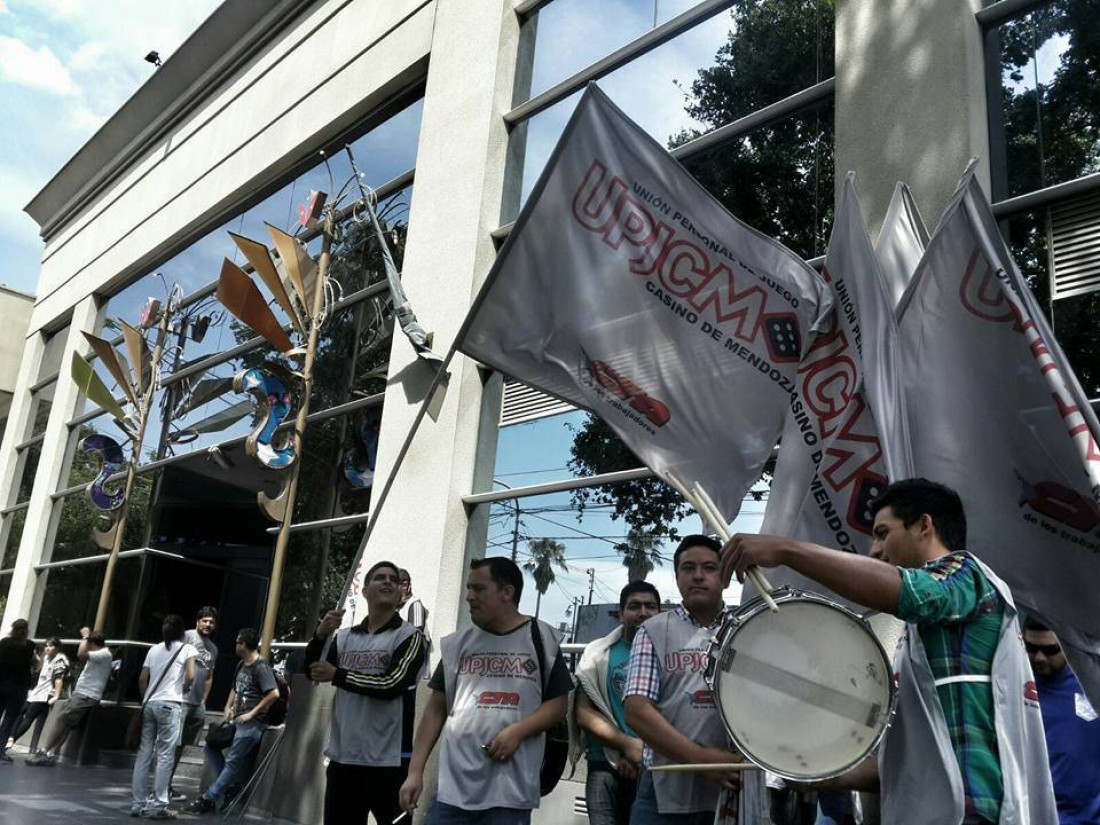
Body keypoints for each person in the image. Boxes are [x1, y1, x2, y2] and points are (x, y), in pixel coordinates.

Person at [722, 478, 1057, 825]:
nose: (875, 550)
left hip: (970, 813)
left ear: (924, 526)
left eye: (883, 533)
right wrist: (816, 771)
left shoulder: (968, 577)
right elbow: (900, 768)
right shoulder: (914, 637)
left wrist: (788, 551)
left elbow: (912, 593)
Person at [399, 557, 572, 825]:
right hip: (452, 793)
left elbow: (558, 705)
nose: (469, 597)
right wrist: (415, 772)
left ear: (507, 592)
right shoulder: (459, 644)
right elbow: (435, 709)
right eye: (468, 588)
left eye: (478, 589)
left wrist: (518, 731)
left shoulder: (542, 639)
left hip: (509, 796)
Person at [623, 535, 751, 825]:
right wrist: (700, 759)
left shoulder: (748, 631)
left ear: (725, 577)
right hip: (663, 792)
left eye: (709, 568)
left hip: (732, 790)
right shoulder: (654, 631)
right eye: (688, 568)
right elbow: (637, 710)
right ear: (677, 577)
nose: (698, 576)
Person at [304, 560, 427, 825]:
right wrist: (320, 636)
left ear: (400, 594)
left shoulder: (409, 637)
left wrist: (338, 674)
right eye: (380, 578)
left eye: (393, 580)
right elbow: (312, 672)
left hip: (389, 760)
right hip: (343, 758)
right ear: (365, 590)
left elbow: (392, 684)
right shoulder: (344, 637)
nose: (388, 582)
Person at [573, 581, 660, 825]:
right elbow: (582, 712)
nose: (643, 613)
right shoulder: (597, 654)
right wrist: (627, 746)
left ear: (659, 613)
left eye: (650, 606)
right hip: (603, 764)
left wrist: (640, 753)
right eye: (634, 606)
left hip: (652, 767)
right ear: (621, 613)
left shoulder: (668, 657)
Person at [185, 628, 278, 814]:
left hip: (252, 723)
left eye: (237, 642)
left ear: (243, 644)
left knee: (233, 761)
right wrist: (227, 707)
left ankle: (210, 798)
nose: (235, 645)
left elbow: (274, 693)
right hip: (236, 719)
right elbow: (235, 687)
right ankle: (225, 788)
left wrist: (252, 714)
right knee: (210, 746)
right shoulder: (241, 665)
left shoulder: (261, 667)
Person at [1025, 618, 1100, 824]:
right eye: (1031, 648)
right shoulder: (1017, 686)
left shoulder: (1091, 684)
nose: (1039, 657)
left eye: (1050, 650)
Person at [131, 614, 197, 819]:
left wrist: (147, 698)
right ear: (182, 632)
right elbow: (191, 676)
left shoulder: (153, 649)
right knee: (166, 755)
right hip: (170, 704)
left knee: (144, 753)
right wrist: (184, 689)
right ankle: (159, 806)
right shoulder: (187, 649)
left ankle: (138, 803)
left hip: (150, 704)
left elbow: (143, 679)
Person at [28, 627, 113, 766]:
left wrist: (85, 637)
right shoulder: (103, 654)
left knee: (62, 720)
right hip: (84, 693)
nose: (87, 648)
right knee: (67, 724)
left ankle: (44, 751)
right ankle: (50, 753)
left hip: (86, 694)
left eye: (88, 645)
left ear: (93, 644)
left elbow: (81, 654)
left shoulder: (104, 654)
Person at [169, 606, 219, 802]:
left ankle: (167, 785)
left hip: (197, 703)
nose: (208, 624)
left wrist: (204, 701)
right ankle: (160, 787)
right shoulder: (187, 636)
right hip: (180, 699)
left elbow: (209, 676)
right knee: (171, 744)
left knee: (182, 746)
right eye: (205, 620)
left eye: (211, 622)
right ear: (197, 621)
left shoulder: (213, 649)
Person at [10, 637, 69, 752]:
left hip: (46, 694)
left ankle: (11, 740)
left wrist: (56, 695)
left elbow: (58, 678)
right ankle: (11, 738)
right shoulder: (46, 658)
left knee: (29, 716)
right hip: (37, 692)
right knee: (21, 712)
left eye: (50, 646)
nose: (47, 648)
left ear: (57, 648)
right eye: (46, 645)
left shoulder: (59, 660)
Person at [0, 619, 37, 763]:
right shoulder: (29, 645)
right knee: (9, 720)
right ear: (26, 630)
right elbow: (35, 663)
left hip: (1, 684)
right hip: (18, 688)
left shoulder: (4, 642)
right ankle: (0, 750)